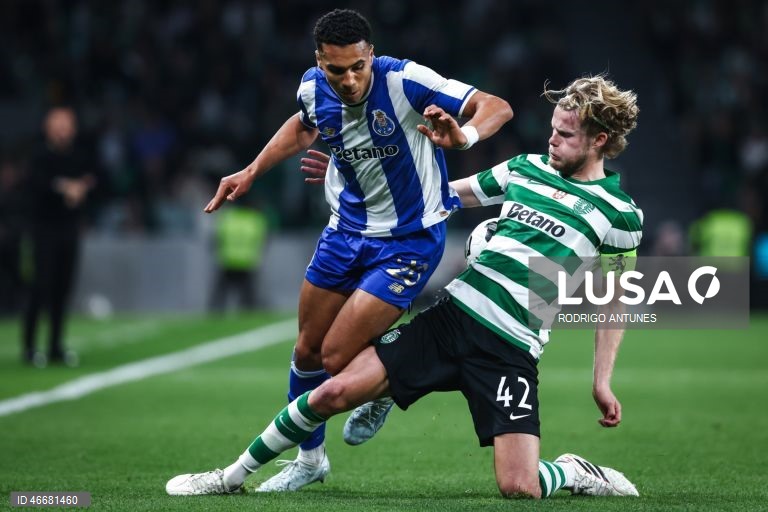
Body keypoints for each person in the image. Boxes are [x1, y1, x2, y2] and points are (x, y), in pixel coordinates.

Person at [167, 75, 642, 499]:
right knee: (331, 393)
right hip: (451, 321)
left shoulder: (620, 214)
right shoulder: (525, 169)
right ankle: (228, 478)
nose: (551, 141)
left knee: (520, 487)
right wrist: (345, 176)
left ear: (600, 140)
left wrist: (601, 381)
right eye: (552, 129)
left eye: (564, 134)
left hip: (512, 351)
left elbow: (615, 297)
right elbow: (436, 196)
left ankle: (574, 471)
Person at [201, 8, 513, 491]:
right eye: (336, 70)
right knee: (306, 350)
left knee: (335, 354)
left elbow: (496, 105)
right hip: (345, 232)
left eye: (357, 68)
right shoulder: (312, 86)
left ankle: (386, 380)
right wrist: (251, 171)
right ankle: (310, 462)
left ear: (371, 55)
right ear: (319, 61)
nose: (347, 80)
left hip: (409, 240)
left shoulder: (406, 80)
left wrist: (464, 136)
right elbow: (304, 126)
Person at [22, 106, 97, 367]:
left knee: (62, 288)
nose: (64, 129)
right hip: (43, 229)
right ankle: (30, 347)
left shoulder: (79, 156)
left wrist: (82, 188)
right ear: (48, 127)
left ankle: (55, 346)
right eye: (59, 123)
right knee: (40, 286)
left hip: (69, 229)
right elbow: (35, 184)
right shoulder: (38, 154)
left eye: (68, 123)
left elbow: (93, 180)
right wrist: (64, 187)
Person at [208, 204, 269, 312]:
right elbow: (263, 240)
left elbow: (217, 238)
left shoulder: (227, 217)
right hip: (247, 261)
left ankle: (215, 313)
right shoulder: (255, 219)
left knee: (221, 294)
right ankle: (249, 313)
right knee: (248, 295)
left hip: (228, 260)